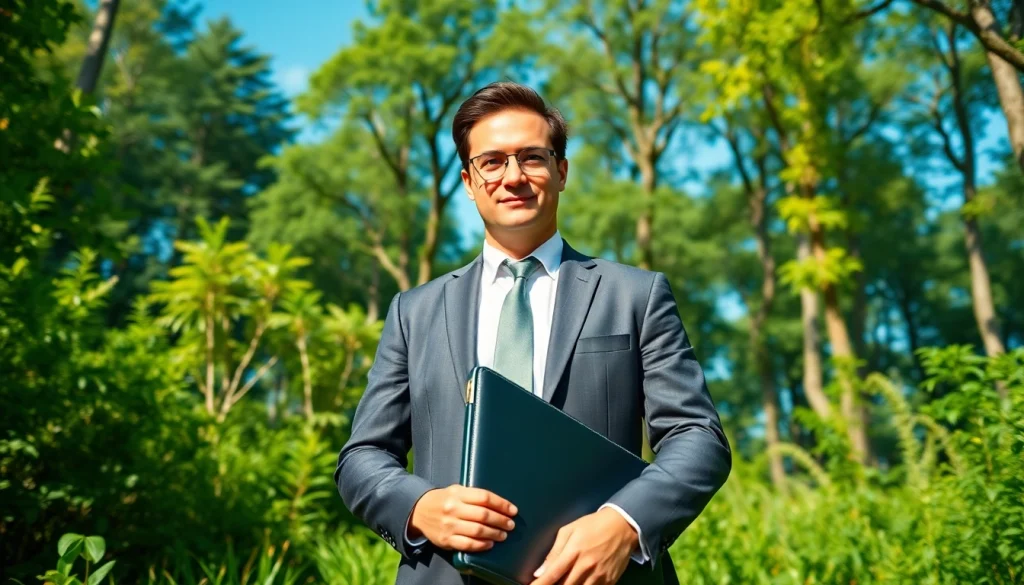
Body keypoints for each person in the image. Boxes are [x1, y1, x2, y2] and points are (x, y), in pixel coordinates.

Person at [335, 81, 731, 585]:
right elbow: (361, 457)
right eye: (493, 161)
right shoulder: (414, 312)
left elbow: (698, 438)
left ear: (561, 171)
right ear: (468, 180)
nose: (514, 177)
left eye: (532, 158)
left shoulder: (635, 295)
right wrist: (421, 506)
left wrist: (624, 524)